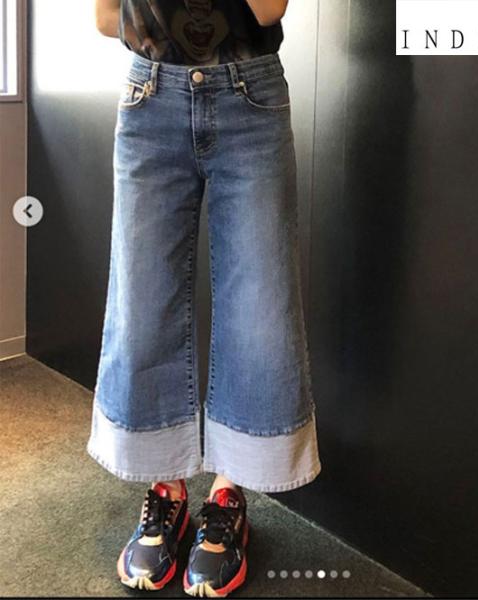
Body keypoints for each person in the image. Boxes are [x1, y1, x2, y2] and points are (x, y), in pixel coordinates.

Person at [89, 1, 322, 596]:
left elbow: (267, 9)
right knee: (142, 304)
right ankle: (165, 488)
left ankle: (227, 494)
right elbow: (105, 18)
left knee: (259, 304)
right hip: (150, 97)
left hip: (250, 97)